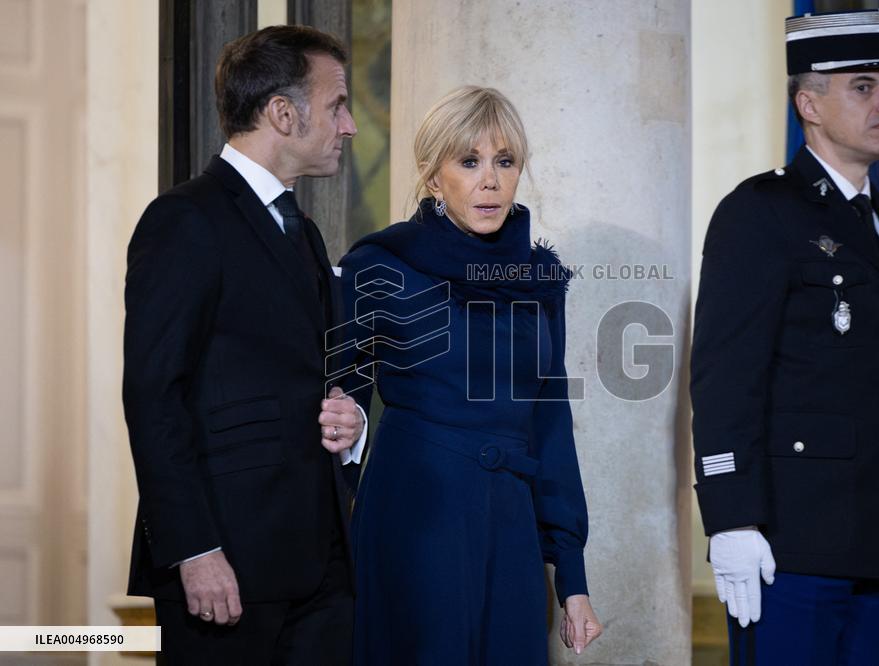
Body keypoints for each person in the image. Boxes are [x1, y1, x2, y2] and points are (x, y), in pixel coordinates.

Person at [324, 86, 601, 664]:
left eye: (505, 161)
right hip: (415, 513)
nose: (490, 181)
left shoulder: (540, 279)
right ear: (433, 177)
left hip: (511, 521)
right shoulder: (379, 264)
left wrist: (571, 577)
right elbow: (334, 402)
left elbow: (550, 423)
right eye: (469, 162)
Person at [691, 9, 879, 665]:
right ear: (809, 104)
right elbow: (725, 380)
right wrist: (732, 518)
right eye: (862, 86)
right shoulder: (760, 213)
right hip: (791, 545)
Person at [123, 25, 367, 665]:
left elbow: (309, 374)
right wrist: (194, 551)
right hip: (224, 572)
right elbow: (153, 395)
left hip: (321, 569)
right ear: (284, 114)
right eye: (338, 104)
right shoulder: (184, 220)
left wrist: (351, 418)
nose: (350, 126)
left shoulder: (303, 231)